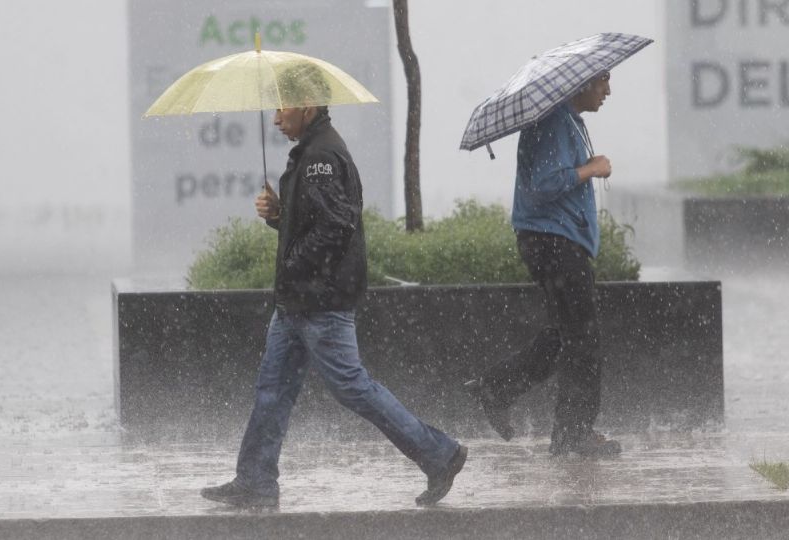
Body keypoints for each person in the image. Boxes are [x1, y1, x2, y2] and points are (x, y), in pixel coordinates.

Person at [201, 62, 467, 508]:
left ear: (307, 106)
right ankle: (255, 481)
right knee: (273, 389)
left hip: (318, 303)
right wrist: (279, 217)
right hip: (297, 303)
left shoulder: (321, 157)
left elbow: (337, 226)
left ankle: (439, 455)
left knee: (354, 388)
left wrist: (295, 266)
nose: (274, 117)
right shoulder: (311, 151)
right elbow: (319, 223)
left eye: (282, 107)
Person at [467, 71, 622, 458]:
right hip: (555, 241)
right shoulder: (554, 120)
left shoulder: (565, 121)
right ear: (582, 83)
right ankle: (573, 435)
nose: (608, 90)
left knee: (563, 335)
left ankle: (497, 387)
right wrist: (592, 169)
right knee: (582, 339)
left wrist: (584, 165)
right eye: (602, 81)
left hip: (554, 240)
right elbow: (545, 183)